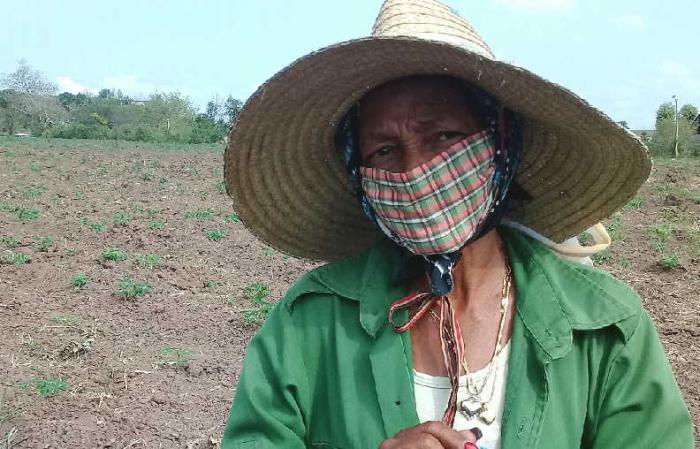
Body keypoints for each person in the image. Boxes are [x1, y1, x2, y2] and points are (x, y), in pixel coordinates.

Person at [220, 1, 694, 448]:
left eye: (444, 135)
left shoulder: (605, 327)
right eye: (383, 151)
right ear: (359, 178)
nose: (415, 171)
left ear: (500, 143)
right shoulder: (310, 323)